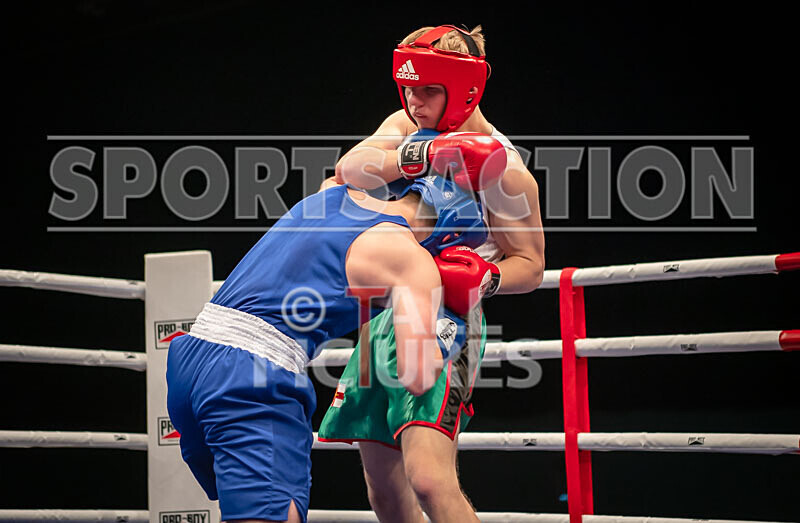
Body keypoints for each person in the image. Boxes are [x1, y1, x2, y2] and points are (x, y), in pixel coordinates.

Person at [165, 174, 499, 523]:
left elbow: (347, 168)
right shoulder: (413, 262)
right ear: (449, 237)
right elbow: (415, 377)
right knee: (274, 514)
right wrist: (450, 324)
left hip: (191, 361)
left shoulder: (333, 194)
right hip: (251, 376)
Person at [318, 24, 546, 522]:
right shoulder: (406, 125)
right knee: (384, 489)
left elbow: (530, 265)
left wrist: (486, 278)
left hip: (447, 320)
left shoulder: (503, 169)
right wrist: (417, 154)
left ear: (466, 89)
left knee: (428, 478)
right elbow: (349, 168)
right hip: (383, 315)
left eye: (428, 91)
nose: (415, 102)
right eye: (409, 88)